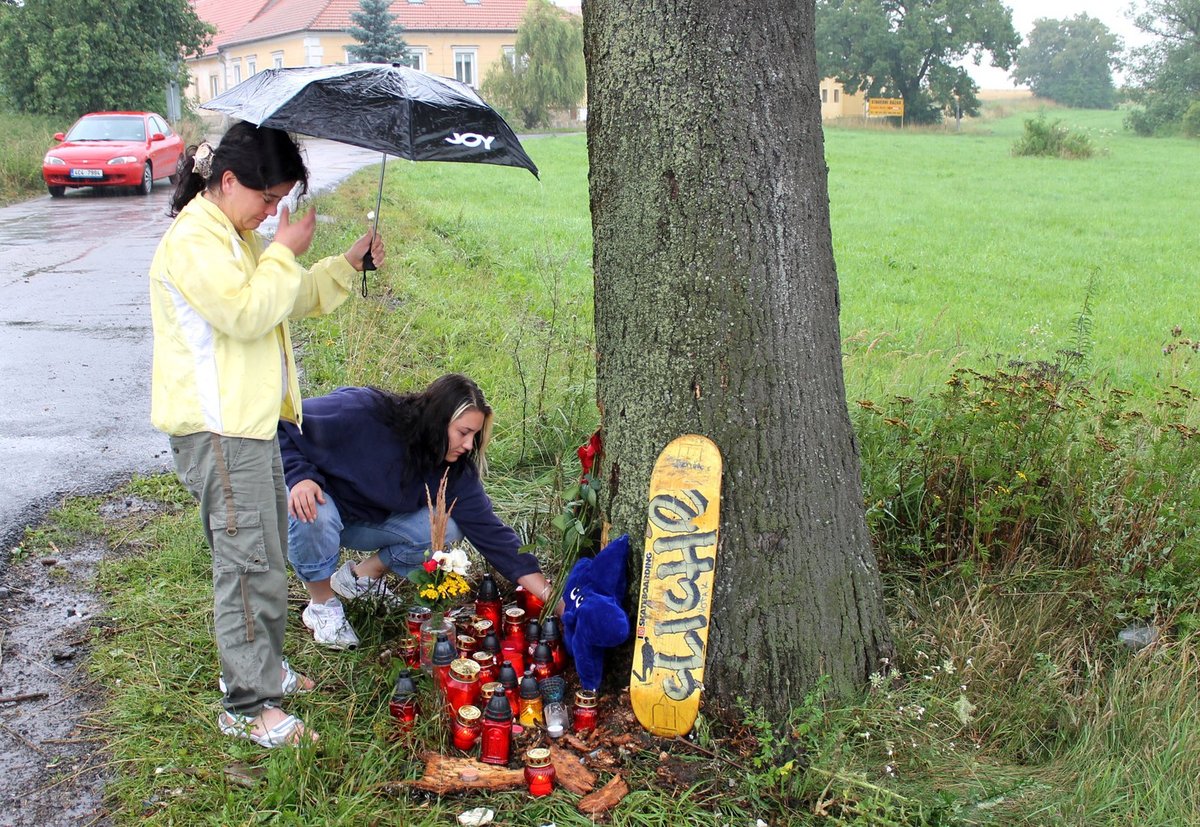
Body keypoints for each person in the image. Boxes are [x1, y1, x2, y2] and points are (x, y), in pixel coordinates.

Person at [148, 121, 386, 748]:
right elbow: (248, 312)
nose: (270, 213)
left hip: (252, 427)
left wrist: (341, 264)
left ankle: (265, 666)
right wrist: (284, 249)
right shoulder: (195, 241)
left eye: (280, 200)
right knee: (248, 563)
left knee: (265, 552)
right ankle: (248, 705)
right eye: (267, 197)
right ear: (228, 181)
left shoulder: (232, 233)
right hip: (220, 432)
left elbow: (283, 296)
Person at [279, 375, 558, 649]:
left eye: (475, 435)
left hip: (362, 521)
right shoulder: (363, 411)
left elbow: (492, 534)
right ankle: (321, 604)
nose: (470, 445)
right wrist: (300, 475)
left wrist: (553, 599)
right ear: (439, 420)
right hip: (317, 504)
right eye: (463, 433)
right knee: (313, 507)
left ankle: (357, 578)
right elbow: (282, 422)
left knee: (449, 524)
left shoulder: (454, 467)